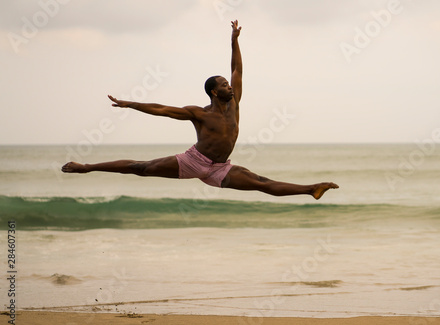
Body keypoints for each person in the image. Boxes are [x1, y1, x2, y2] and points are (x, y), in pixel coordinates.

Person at [62, 20, 339, 200]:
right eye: (223, 86)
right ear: (213, 92)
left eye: (229, 85)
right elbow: (162, 109)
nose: (230, 87)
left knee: (261, 183)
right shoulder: (200, 113)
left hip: (219, 168)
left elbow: (237, 69)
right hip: (194, 161)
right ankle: (87, 167)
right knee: (141, 167)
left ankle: (311, 189)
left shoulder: (234, 103)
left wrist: (234, 41)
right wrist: (129, 104)